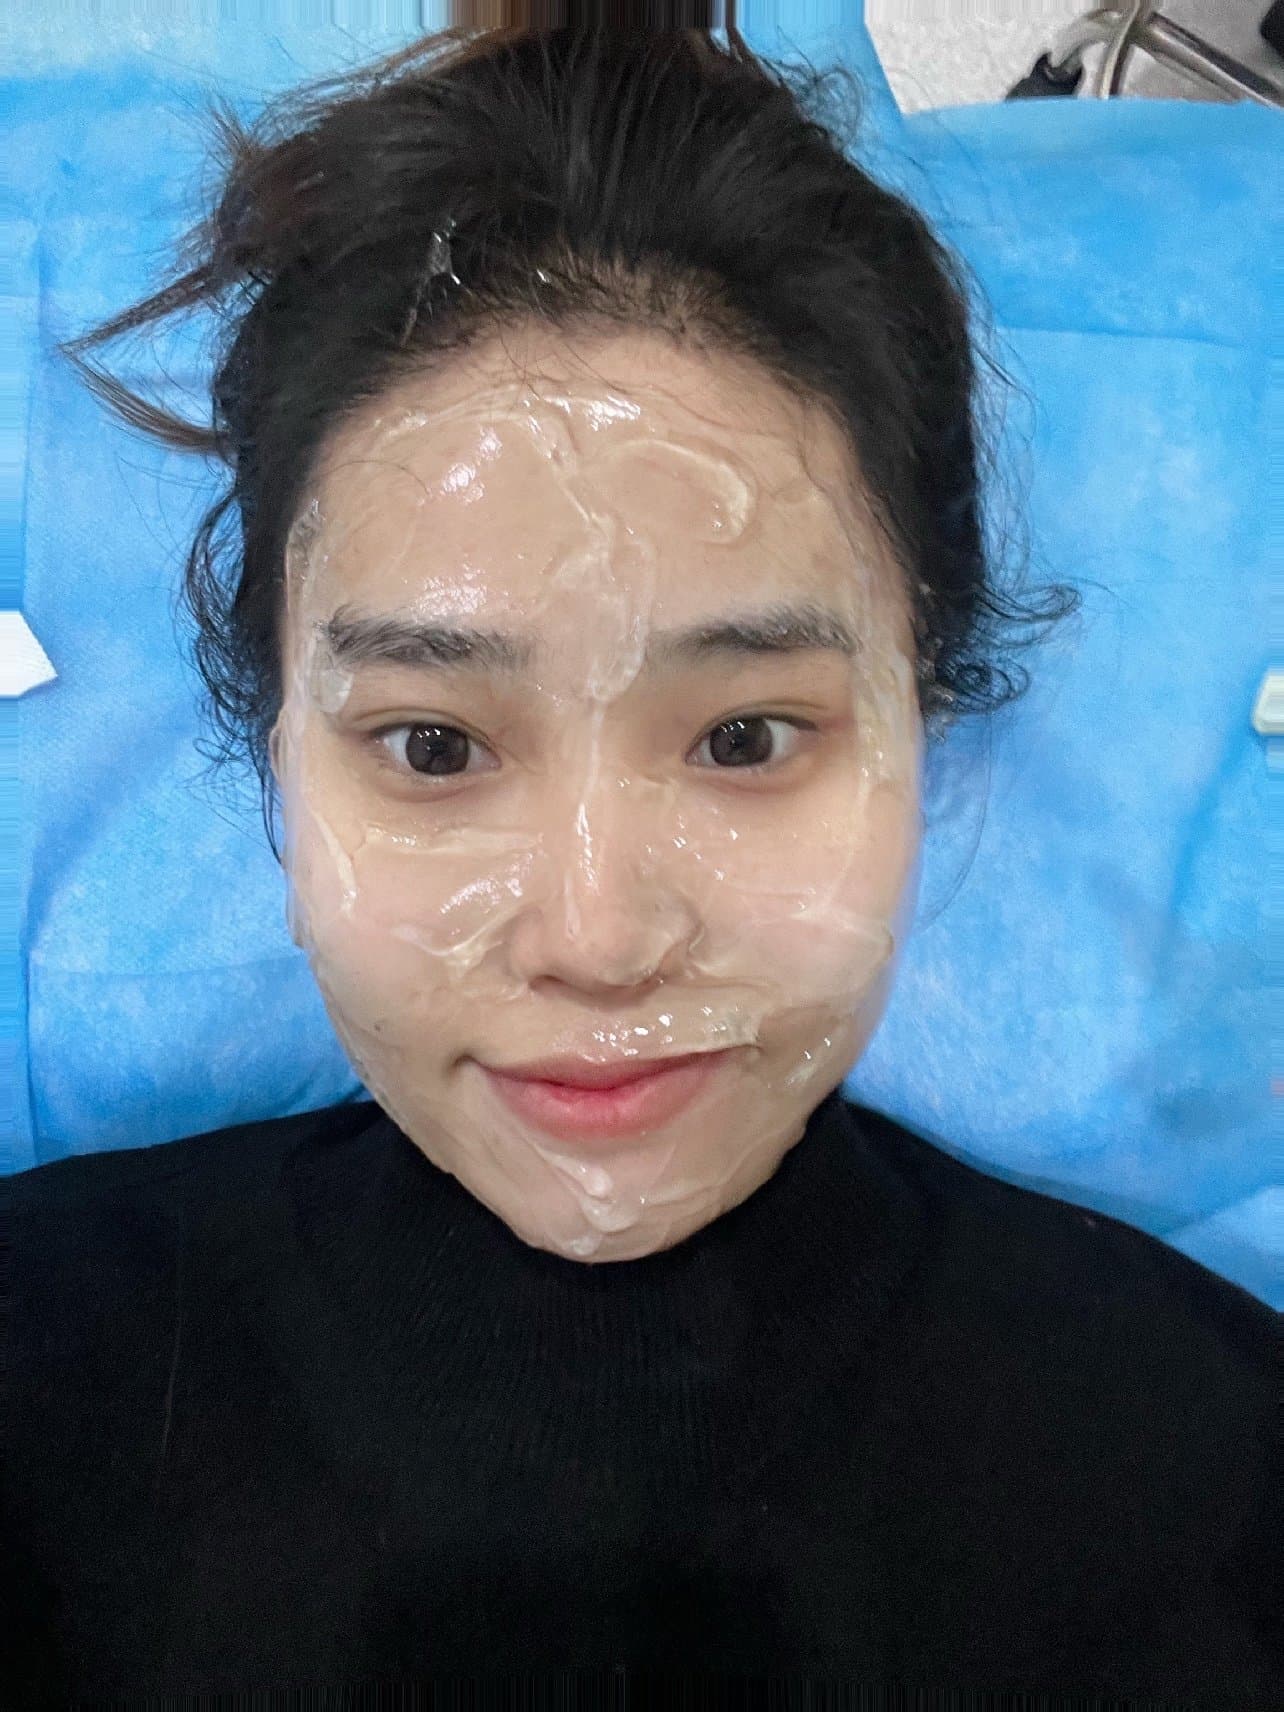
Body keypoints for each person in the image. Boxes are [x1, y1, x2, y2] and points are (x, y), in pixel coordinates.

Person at [4, 21, 1277, 1701]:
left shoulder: (1219, 1477)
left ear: (929, 709)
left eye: (744, 738)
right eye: (435, 747)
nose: (598, 940)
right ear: (276, 757)